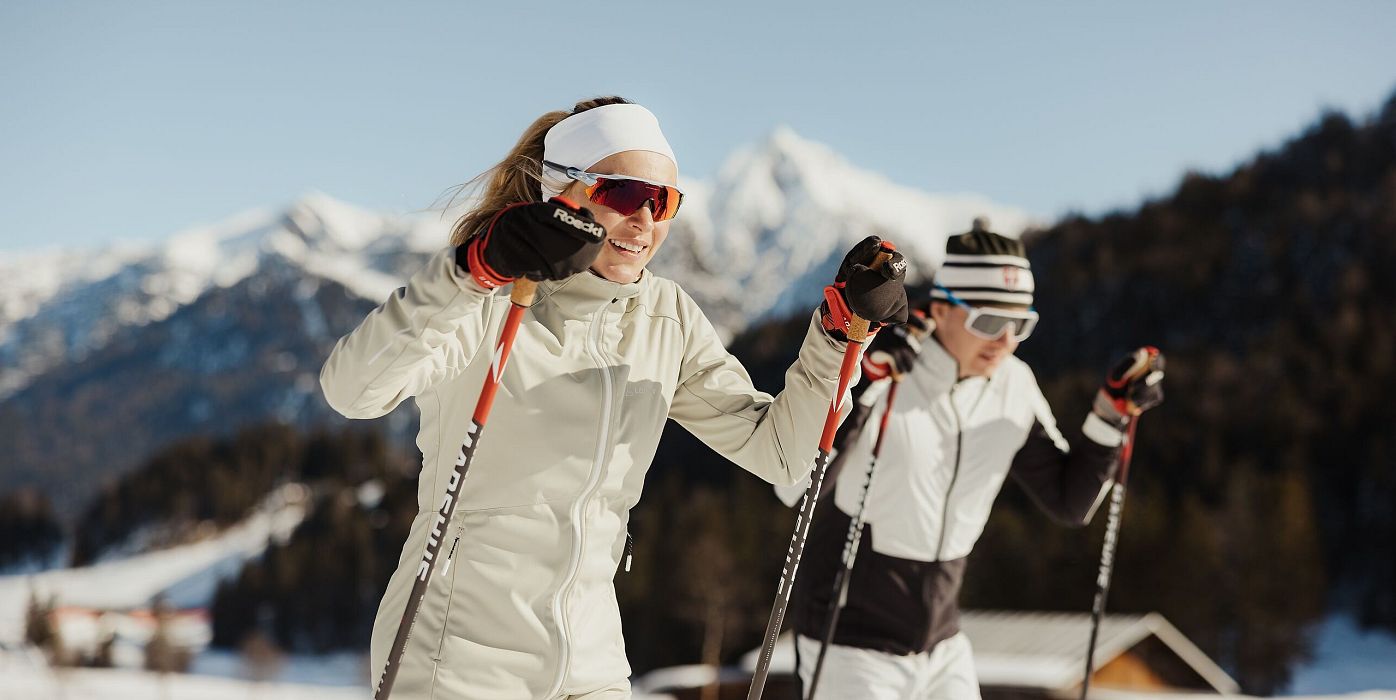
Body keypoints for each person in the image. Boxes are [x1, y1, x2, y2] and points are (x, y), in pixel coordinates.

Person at [319, 96, 909, 699]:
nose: (645, 220)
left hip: (590, 660)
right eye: (625, 194)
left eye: (664, 202)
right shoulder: (485, 298)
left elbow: (782, 454)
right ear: (562, 190)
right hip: (455, 657)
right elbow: (351, 390)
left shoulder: (666, 316)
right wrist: (476, 270)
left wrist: (838, 336)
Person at [785, 221, 1165, 699]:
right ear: (941, 308)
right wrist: (865, 382)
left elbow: (1070, 501)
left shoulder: (1013, 385)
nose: (1005, 340)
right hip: (847, 642)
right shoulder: (883, 364)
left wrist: (1110, 415)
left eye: (1020, 325)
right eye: (989, 321)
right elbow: (793, 485)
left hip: (942, 643)